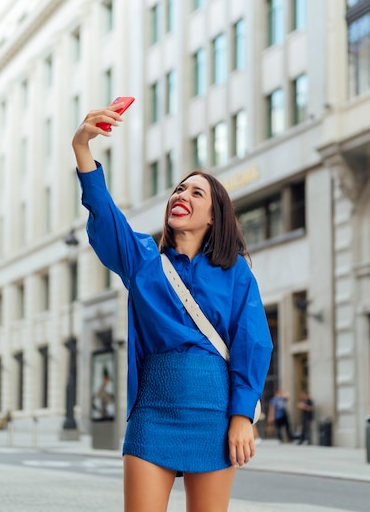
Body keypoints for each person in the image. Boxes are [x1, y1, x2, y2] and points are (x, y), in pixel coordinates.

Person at [72, 105, 273, 512]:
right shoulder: (143, 259)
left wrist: (241, 417)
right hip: (153, 410)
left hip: (215, 412)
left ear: (214, 217)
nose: (182, 195)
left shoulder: (234, 272)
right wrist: (82, 147)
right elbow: (105, 214)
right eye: (179, 189)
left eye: (196, 192)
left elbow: (253, 342)